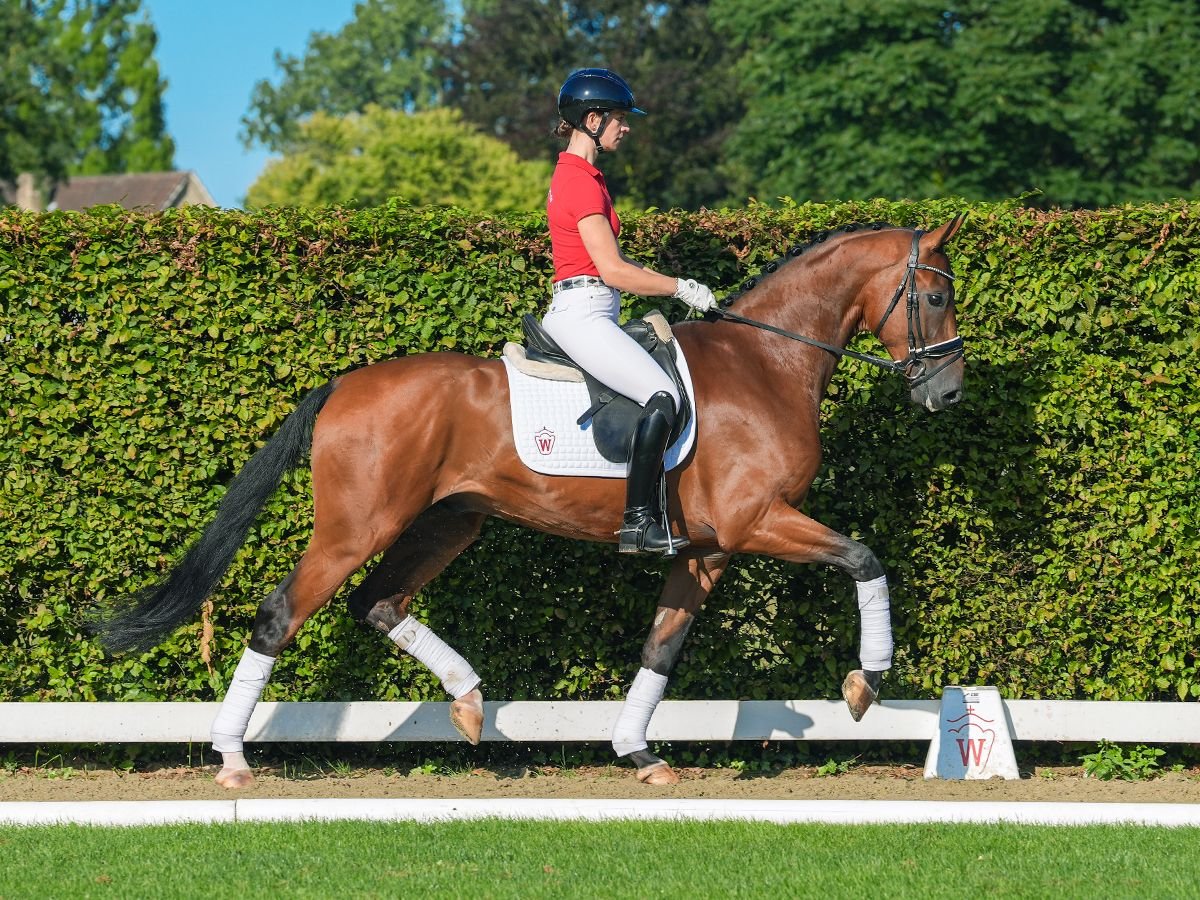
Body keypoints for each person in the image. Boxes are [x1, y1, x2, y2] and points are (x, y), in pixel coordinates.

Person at [543, 67, 716, 555]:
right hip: (584, 312)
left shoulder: (582, 176)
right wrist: (681, 287)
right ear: (592, 119)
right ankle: (638, 522)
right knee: (664, 394)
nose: (627, 126)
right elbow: (613, 270)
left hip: (591, 309)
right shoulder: (579, 182)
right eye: (619, 118)